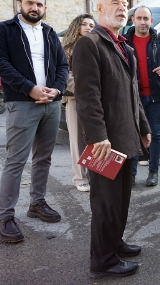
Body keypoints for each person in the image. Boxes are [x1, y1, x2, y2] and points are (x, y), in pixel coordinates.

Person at [72, 0, 152, 278]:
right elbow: (87, 97)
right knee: (105, 204)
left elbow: (133, 94)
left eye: (125, 4)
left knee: (121, 200)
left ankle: (114, 243)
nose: (123, 8)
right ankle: (102, 261)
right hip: (104, 143)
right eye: (116, 3)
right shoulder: (89, 45)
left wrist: (144, 128)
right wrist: (97, 137)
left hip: (126, 138)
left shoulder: (125, 47)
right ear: (99, 8)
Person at [0, 0, 69, 243]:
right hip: (22, 103)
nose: (34, 8)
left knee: (43, 158)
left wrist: (56, 90)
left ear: (45, 8)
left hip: (51, 103)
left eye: (39, 4)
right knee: (16, 161)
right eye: (30, 3)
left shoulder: (49, 32)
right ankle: (5, 217)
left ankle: (37, 203)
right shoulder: (4, 30)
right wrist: (31, 89)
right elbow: (0, 64)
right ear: (20, 4)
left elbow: (62, 65)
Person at [124, 5, 160, 187]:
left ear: (152, 21)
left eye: (146, 19)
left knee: (156, 134)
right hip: (133, 97)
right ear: (133, 20)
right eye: (139, 18)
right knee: (134, 134)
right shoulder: (125, 41)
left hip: (157, 96)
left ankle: (153, 171)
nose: (143, 22)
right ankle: (132, 173)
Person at [61, 13, 95, 192]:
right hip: (75, 98)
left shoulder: (96, 46)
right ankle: (79, 177)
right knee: (76, 140)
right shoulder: (67, 48)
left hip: (95, 101)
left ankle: (93, 174)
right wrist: (85, 89)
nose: (89, 27)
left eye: (91, 24)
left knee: (94, 138)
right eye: (84, 24)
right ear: (77, 27)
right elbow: (65, 76)